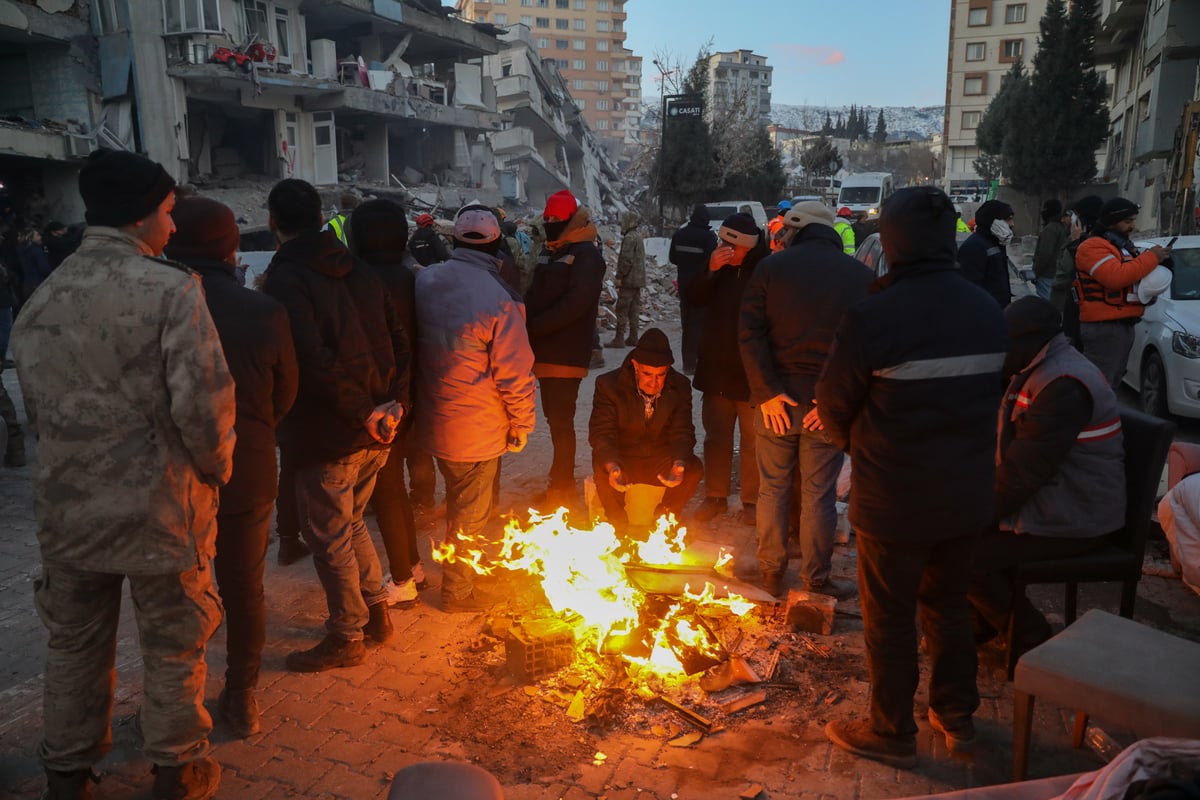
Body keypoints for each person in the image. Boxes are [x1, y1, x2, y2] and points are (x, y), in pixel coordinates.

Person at [12, 148, 235, 799]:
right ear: (142, 218)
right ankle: (178, 767)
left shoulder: (41, 298)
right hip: (161, 512)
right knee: (174, 641)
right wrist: (217, 472)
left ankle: (67, 772)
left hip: (68, 516)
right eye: (168, 213)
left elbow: (38, 410)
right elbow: (205, 407)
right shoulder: (171, 291)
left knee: (74, 646)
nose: (172, 228)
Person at [817, 186, 1008, 768]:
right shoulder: (986, 310)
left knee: (890, 617)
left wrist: (861, 445)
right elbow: (990, 397)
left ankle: (892, 731)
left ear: (892, 244)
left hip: (893, 501)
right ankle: (957, 718)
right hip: (965, 498)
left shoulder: (873, 315)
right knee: (948, 606)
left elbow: (831, 408)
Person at [262, 179, 411, 672]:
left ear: (272, 222)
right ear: (322, 217)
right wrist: (393, 404)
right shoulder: (361, 270)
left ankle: (346, 635)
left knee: (328, 537)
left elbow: (311, 358)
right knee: (348, 525)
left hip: (333, 431)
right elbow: (400, 342)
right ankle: (376, 614)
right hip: (375, 426)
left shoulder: (287, 278)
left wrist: (366, 410)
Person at [164, 196, 298, 738]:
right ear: (233, 248)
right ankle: (241, 695)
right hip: (249, 464)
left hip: (176, 473)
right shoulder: (261, 310)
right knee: (244, 585)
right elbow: (285, 393)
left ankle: (178, 702)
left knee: (177, 590)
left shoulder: (162, 308)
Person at [968, 296, 1125, 655]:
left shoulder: (1064, 385)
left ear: (1030, 343)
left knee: (962, 552)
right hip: (1055, 500)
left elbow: (1023, 474)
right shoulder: (1040, 367)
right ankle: (982, 625)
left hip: (1077, 515)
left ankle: (1033, 641)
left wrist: (970, 516)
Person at [739, 201, 872, 599]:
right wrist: (830, 401)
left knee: (772, 488)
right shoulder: (860, 276)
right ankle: (816, 580)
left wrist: (767, 393)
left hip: (774, 405)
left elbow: (749, 334)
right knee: (819, 494)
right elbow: (862, 348)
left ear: (795, 231)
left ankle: (769, 574)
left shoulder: (770, 268)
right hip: (823, 408)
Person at [413, 205, 536, 612]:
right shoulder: (498, 298)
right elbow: (514, 373)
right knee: (469, 513)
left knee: (459, 500)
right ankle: (457, 592)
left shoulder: (426, 280)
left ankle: (463, 574)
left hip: (433, 421)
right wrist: (522, 423)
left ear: (453, 240)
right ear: (498, 243)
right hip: (477, 430)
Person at [349, 198, 427, 606]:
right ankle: (412, 565)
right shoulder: (411, 278)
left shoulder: (359, 281)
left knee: (388, 488)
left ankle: (402, 578)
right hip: (411, 394)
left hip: (383, 401)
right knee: (395, 486)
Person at [524, 190, 605, 508]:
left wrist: (535, 327)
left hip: (566, 351)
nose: (550, 224)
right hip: (544, 350)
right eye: (547, 220)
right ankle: (559, 483)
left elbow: (576, 304)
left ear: (571, 219)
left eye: (556, 220)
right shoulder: (553, 251)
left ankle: (562, 488)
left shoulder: (586, 255)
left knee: (561, 420)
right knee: (554, 419)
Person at [690, 213, 768, 526]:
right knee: (716, 437)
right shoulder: (718, 269)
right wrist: (710, 270)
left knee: (752, 442)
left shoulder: (765, 270)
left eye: (731, 246)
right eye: (723, 243)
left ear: (747, 247)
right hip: (717, 369)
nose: (726, 249)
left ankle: (751, 500)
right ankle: (715, 495)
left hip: (750, 374)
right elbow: (693, 298)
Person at [589, 328, 702, 529]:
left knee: (693, 468)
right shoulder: (608, 385)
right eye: (648, 374)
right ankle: (618, 529)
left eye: (661, 375)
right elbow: (601, 433)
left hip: (658, 457)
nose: (654, 382)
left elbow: (682, 430)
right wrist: (612, 465)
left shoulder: (680, 385)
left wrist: (679, 462)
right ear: (635, 366)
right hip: (623, 457)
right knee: (602, 468)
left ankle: (665, 520)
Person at [1074, 196, 1172, 387]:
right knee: (1098, 386)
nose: (1132, 226)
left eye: (1134, 220)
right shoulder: (1092, 246)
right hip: (1104, 327)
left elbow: (1135, 273)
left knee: (1111, 383)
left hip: (1121, 325)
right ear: (1111, 222)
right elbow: (1115, 278)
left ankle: (1105, 416)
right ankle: (1094, 417)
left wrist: (1162, 264)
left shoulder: (1121, 246)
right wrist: (1151, 258)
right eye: (1127, 221)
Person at [669, 204, 717, 374]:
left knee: (687, 325)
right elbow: (714, 263)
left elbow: (672, 258)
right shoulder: (708, 237)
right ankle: (696, 362)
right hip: (702, 285)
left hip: (684, 284)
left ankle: (688, 363)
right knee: (699, 324)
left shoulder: (679, 234)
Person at [958, 199, 1015, 308]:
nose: (1012, 224)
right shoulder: (974, 247)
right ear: (993, 221)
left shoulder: (995, 243)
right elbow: (971, 290)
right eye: (1008, 219)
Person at [607, 211, 645, 349]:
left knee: (622, 308)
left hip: (628, 280)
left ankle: (619, 338)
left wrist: (619, 276)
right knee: (634, 309)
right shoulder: (638, 236)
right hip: (638, 280)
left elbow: (626, 260)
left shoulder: (629, 238)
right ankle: (634, 337)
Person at [1032, 199, 1069, 301]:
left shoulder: (1051, 229)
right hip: (1055, 273)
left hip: (1047, 275)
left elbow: (1045, 254)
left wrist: (1036, 271)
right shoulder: (1060, 227)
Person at [17, 227, 53, 302]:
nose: (41, 237)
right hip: (38, 284)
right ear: (31, 238)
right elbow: (44, 268)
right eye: (38, 235)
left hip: (27, 285)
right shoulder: (36, 251)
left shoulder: (22, 251)